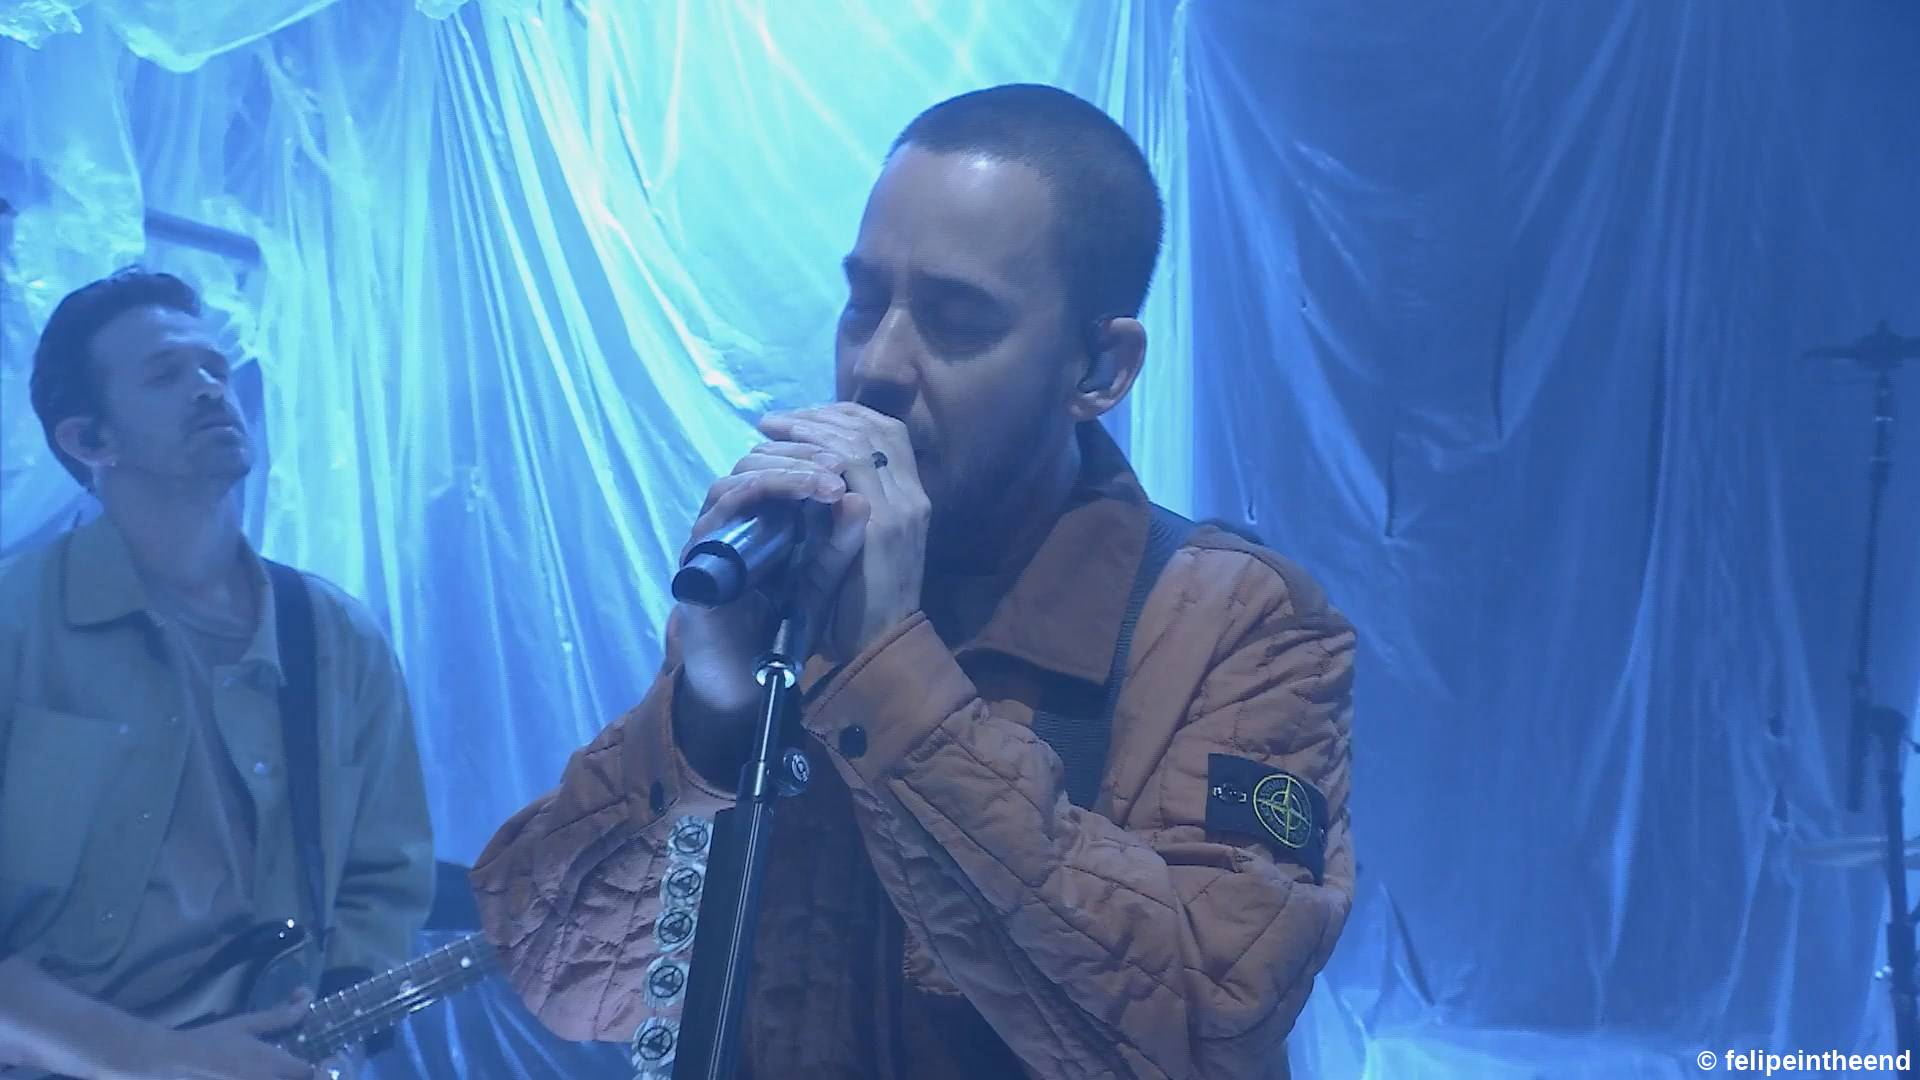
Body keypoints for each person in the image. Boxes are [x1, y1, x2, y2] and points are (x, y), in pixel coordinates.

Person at [473, 83, 1356, 1078]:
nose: (878, 365)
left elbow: (1198, 1032)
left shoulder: (1239, 625)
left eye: (956, 319)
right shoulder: (785, 591)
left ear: (1100, 369)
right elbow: (562, 979)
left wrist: (890, 673)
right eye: (864, 303)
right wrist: (707, 716)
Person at [0, 269, 435, 1079]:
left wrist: (332, 1026)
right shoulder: (16, 626)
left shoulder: (336, 637)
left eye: (214, 368)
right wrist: (153, 1059)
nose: (209, 388)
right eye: (165, 374)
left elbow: (385, 879)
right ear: (90, 440)